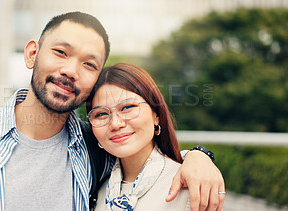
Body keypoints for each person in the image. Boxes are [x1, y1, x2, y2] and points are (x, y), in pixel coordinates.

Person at [0, 12, 224, 211]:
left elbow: (142, 155)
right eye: (61, 52)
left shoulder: (94, 148)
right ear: (32, 53)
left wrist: (198, 156)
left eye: (89, 64)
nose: (71, 70)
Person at [87, 62, 211, 210]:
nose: (115, 123)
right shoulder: (92, 190)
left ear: (156, 115)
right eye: (101, 114)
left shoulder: (191, 186)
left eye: (127, 107)